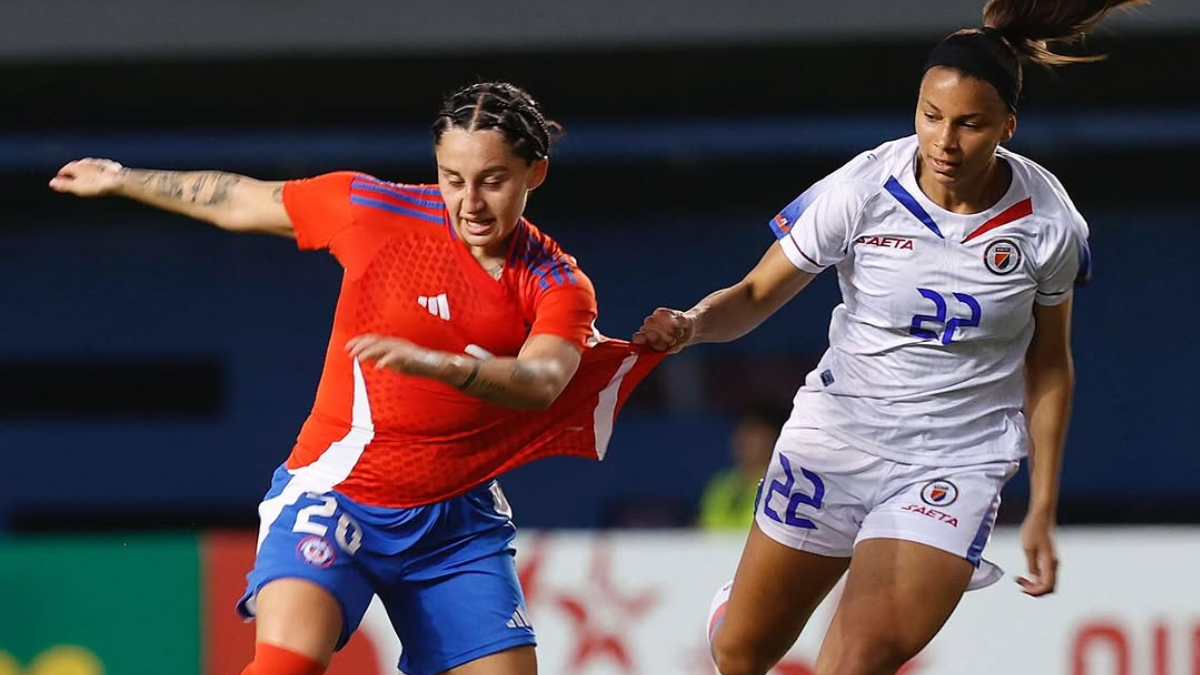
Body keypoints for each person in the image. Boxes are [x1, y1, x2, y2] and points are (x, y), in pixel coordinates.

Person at [50, 82, 663, 675]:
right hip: (336, 493)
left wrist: (437, 364)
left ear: (536, 173)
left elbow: (540, 382)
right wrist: (122, 178)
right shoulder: (373, 212)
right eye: (453, 180)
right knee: (287, 664)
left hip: (457, 523)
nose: (470, 202)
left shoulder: (557, 283)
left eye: (492, 180)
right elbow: (240, 200)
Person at [633, 1, 1143, 673]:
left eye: (970, 124)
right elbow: (756, 293)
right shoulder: (865, 187)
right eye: (931, 116)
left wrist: (1043, 507)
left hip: (955, 461)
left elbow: (1049, 366)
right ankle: (739, 611)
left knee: (860, 658)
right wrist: (693, 324)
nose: (944, 142)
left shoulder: (1049, 225)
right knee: (741, 651)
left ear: (1008, 127)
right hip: (838, 437)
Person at [697, 405, 787, 531]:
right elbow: (700, 530)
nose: (744, 440)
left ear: (773, 438)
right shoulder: (720, 484)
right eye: (742, 432)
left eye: (753, 433)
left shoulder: (784, 488)